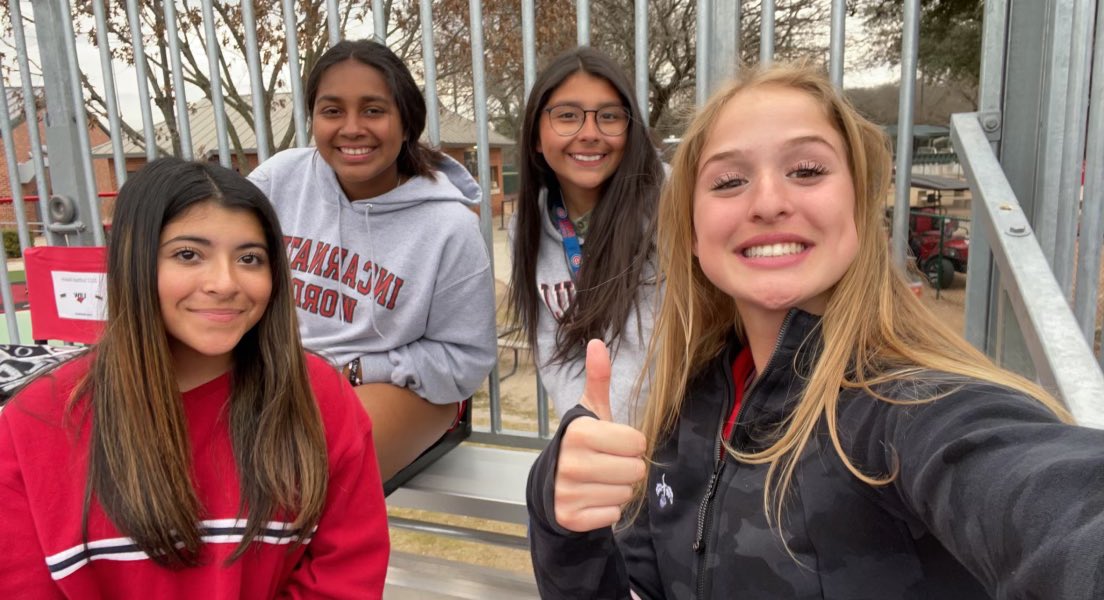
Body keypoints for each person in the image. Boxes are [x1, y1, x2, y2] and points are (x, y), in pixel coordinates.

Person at [526, 64, 1104, 599]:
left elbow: (1056, 505)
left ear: (858, 203)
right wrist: (562, 523)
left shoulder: (914, 410)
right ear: (693, 232)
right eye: (728, 181)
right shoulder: (686, 410)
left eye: (807, 170)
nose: (769, 202)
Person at [0, 158, 388, 598]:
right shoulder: (34, 421)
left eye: (249, 258)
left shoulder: (319, 397)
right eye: (188, 254)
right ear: (133, 261)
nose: (224, 282)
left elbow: (345, 579)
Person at [248, 39, 497, 480]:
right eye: (332, 111)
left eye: (373, 110)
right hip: (284, 377)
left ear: (406, 123)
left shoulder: (448, 226)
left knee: (302, 469)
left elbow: (465, 359)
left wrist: (356, 369)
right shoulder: (277, 181)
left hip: (401, 385)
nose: (351, 128)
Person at [509, 47, 664, 425]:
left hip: (679, 433)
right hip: (595, 437)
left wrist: (610, 435)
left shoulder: (671, 202)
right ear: (535, 137)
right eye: (567, 116)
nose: (590, 133)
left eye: (609, 116)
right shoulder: (527, 224)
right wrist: (580, 427)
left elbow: (651, 353)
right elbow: (553, 353)